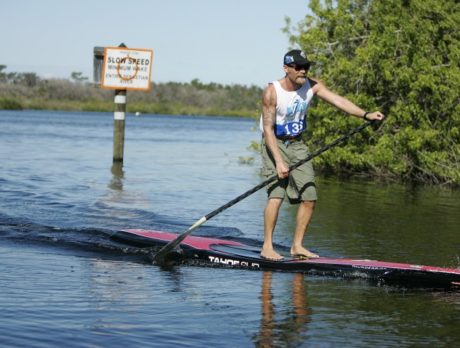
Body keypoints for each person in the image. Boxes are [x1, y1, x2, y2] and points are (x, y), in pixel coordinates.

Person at [260, 49, 384, 261]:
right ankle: (267, 246)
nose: (303, 71)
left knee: (309, 196)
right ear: (286, 68)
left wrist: (366, 114)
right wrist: (279, 162)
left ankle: (297, 246)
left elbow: (339, 101)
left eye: (306, 67)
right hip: (274, 144)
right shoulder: (272, 91)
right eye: (298, 67)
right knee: (276, 195)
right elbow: (269, 130)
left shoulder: (312, 86)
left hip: (297, 144)